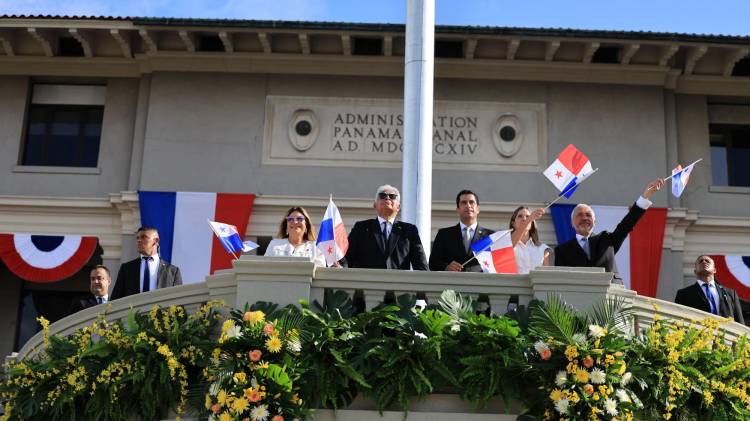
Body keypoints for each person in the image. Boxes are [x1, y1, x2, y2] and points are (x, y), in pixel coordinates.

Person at [554, 179, 664, 284]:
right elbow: (559, 283)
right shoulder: (562, 251)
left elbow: (627, 224)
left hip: (610, 298)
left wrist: (645, 196)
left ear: (594, 222)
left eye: (588, 215)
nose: (584, 218)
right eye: (580, 215)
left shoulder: (607, 240)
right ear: (572, 223)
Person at [345, 184, 428, 270]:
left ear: (398, 207)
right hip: (368, 281)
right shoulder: (361, 228)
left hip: (398, 282)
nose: (387, 198)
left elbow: (421, 265)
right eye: (382, 195)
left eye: (392, 196)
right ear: (375, 205)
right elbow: (347, 259)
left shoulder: (409, 230)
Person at [430, 190, 494, 272]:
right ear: (458, 210)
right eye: (464, 203)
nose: (468, 205)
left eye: (471, 202)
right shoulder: (444, 234)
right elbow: (433, 263)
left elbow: (497, 263)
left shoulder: (490, 236)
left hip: (480, 283)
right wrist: (446, 267)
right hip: (453, 282)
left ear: (478, 209)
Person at [111, 226, 182, 300]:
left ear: (156, 241)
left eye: (144, 237)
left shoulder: (172, 271)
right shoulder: (127, 268)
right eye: (137, 238)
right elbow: (115, 299)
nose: (139, 240)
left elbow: (179, 300)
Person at [675, 255, 745, 324]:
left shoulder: (731, 293)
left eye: (707, 261)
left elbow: (740, 321)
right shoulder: (683, 294)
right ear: (695, 271)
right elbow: (678, 320)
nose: (704, 262)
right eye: (700, 261)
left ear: (714, 270)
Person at [509, 206, 550, 274]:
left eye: (527, 216)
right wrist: (530, 218)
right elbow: (510, 243)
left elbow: (546, 277)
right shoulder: (507, 243)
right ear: (513, 223)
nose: (524, 219)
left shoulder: (543, 249)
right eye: (520, 216)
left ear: (532, 223)